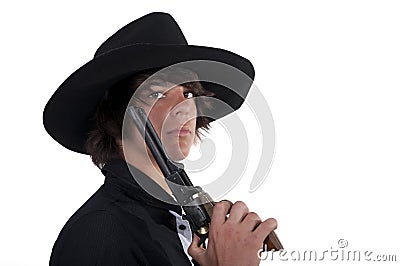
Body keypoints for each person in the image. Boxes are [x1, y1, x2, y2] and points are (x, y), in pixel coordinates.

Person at [44, 12, 278, 266]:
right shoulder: (99, 232)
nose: (183, 107)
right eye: (156, 93)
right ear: (115, 117)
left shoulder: (176, 219)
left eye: (188, 93)